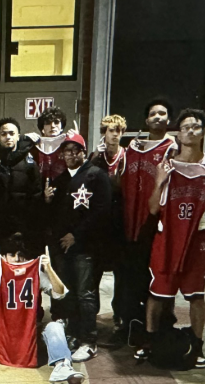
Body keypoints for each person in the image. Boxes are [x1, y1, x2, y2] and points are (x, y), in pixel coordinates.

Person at [143, 109, 205, 368]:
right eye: (186, 126)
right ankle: (150, 341)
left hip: (195, 240)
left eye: (196, 127)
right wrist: (159, 182)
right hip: (167, 238)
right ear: (178, 132)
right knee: (157, 294)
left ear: (203, 132)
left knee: (196, 296)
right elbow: (154, 208)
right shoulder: (165, 166)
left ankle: (197, 346)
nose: (191, 130)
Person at [0, 233, 84, 384]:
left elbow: (60, 294)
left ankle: (62, 366)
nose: (16, 259)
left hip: (30, 331)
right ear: (4, 256)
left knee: (55, 326)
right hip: (1, 331)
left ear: (28, 258)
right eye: (11, 255)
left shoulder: (37, 273)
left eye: (21, 255)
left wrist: (49, 269)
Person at [44, 132, 111, 362]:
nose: (72, 154)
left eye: (77, 150)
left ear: (84, 151)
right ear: (61, 154)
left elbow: (102, 211)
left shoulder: (96, 176)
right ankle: (72, 334)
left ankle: (89, 340)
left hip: (86, 246)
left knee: (86, 294)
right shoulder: (60, 180)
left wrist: (77, 235)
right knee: (69, 294)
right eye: (67, 151)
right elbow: (53, 216)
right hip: (63, 248)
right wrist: (46, 200)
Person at [120, 99, 178, 336]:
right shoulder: (131, 150)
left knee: (158, 280)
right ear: (145, 120)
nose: (157, 117)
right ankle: (129, 325)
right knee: (130, 279)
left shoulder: (172, 149)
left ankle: (161, 328)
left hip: (157, 226)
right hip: (130, 226)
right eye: (152, 113)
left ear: (168, 119)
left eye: (162, 113)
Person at [0, 117, 42, 271]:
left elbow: (36, 195)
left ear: (18, 136)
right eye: (3, 134)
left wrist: (29, 225)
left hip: (20, 228)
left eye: (11, 133)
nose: (8, 137)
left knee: (20, 270)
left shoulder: (29, 163)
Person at [88, 115, 128, 338]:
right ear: (104, 132)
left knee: (121, 275)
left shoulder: (128, 156)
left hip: (120, 224)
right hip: (100, 225)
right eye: (111, 130)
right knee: (94, 274)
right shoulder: (96, 158)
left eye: (119, 131)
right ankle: (90, 316)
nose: (115, 134)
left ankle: (120, 316)